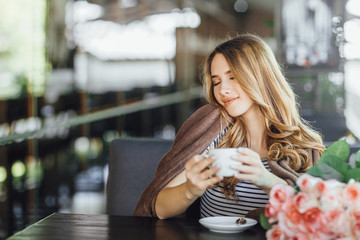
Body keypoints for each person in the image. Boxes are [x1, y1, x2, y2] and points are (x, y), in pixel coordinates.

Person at [133, 33, 325, 219]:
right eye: (216, 82)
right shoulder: (213, 132)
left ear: (260, 76)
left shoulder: (303, 146)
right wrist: (190, 189)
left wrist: (268, 181)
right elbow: (159, 208)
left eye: (232, 77)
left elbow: (319, 215)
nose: (222, 90)